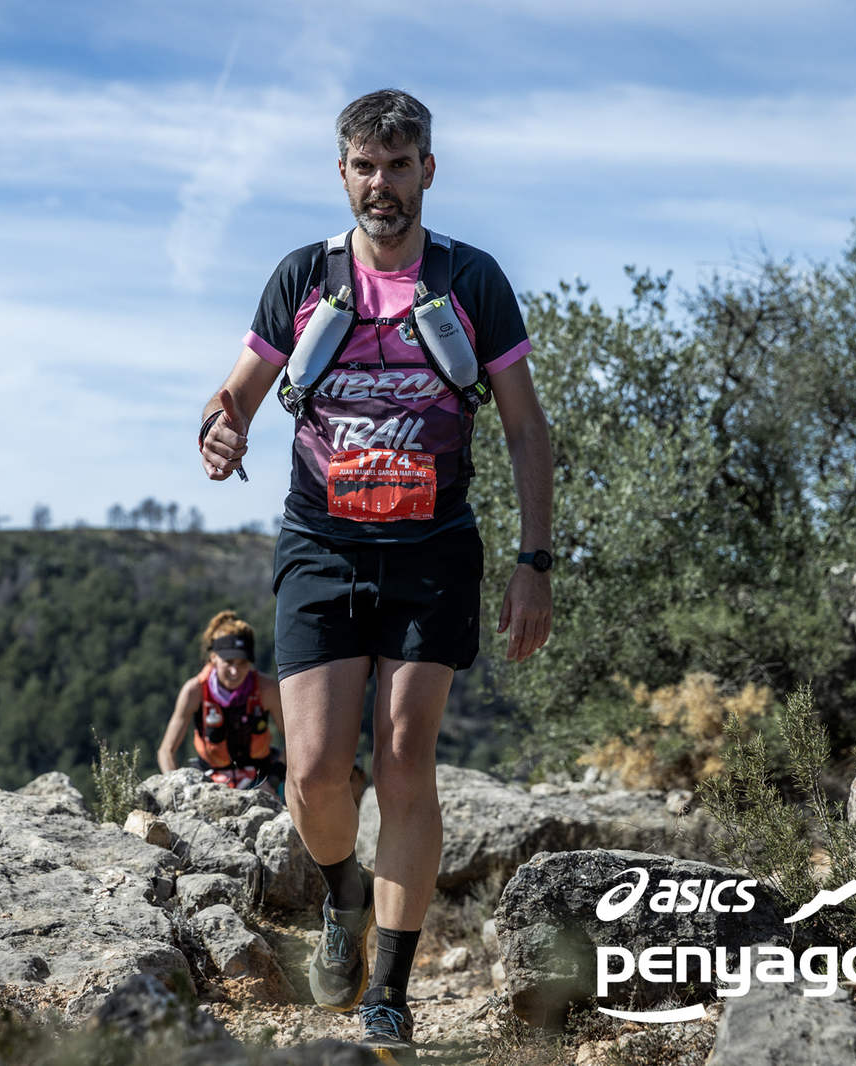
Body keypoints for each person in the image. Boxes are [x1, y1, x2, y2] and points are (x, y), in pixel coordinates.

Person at [195, 89, 552, 1057]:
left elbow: (525, 428)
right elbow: (236, 393)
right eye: (365, 166)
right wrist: (219, 428)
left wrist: (534, 562)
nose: (381, 183)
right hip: (321, 545)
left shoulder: (471, 279)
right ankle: (342, 892)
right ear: (343, 172)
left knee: (402, 760)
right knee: (314, 773)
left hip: (433, 550)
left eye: (398, 165)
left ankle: (388, 989)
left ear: (427, 170)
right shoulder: (303, 277)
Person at [157, 610, 285, 794]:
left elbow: (294, 740)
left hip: (262, 778)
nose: (235, 671)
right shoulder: (194, 691)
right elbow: (166, 751)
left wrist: (273, 780)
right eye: (229, 661)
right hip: (210, 781)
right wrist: (179, 790)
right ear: (213, 657)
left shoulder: (267, 689)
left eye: (243, 663)